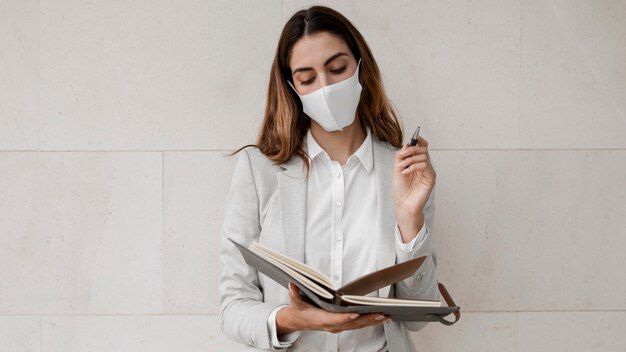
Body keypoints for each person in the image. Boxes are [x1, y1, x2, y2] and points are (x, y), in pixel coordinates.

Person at [218, 5, 439, 352]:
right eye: (308, 79)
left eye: (337, 69)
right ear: (293, 88)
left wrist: (410, 219)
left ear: (361, 69)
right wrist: (290, 319)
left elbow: (417, 316)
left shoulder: (402, 171)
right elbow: (233, 309)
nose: (325, 87)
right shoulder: (258, 170)